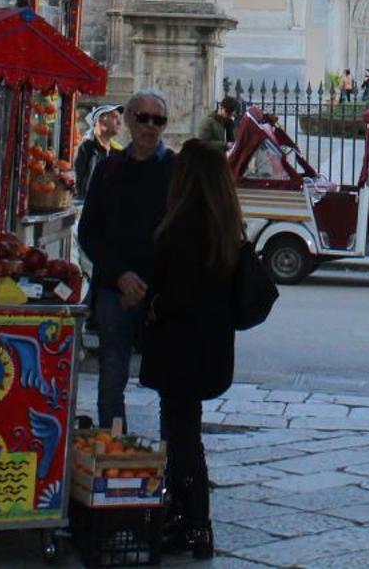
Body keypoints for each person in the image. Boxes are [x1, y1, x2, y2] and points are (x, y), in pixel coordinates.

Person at [141, 141, 249, 559]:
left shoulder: (187, 225)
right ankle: (187, 517)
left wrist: (154, 305)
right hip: (209, 347)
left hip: (182, 347)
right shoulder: (224, 222)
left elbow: (180, 291)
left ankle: (194, 523)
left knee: (181, 435)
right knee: (186, 433)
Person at [77, 90, 174, 428]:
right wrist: (120, 275)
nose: (150, 126)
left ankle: (168, 459)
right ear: (129, 120)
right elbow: (89, 232)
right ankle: (111, 456)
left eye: (158, 120)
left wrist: (150, 283)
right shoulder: (109, 169)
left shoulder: (175, 171)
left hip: (159, 295)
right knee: (111, 379)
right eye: (143, 118)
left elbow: (181, 236)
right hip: (114, 290)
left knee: (170, 383)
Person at [74, 105, 122, 196]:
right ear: (99, 120)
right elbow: (77, 183)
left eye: (119, 118)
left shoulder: (118, 151)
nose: (119, 122)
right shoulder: (86, 147)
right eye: (114, 117)